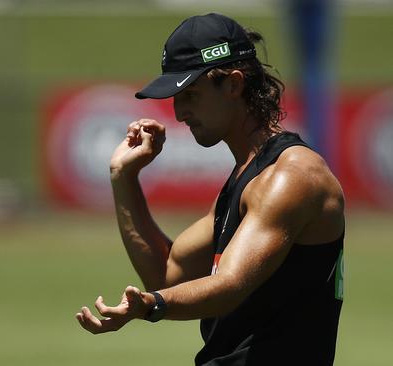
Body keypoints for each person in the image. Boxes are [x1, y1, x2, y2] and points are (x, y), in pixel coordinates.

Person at [75, 13, 345, 366]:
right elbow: (167, 274)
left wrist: (154, 304)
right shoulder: (248, 177)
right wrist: (123, 176)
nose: (179, 111)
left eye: (190, 94)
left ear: (233, 84)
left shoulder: (292, 176)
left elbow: (229, 286)